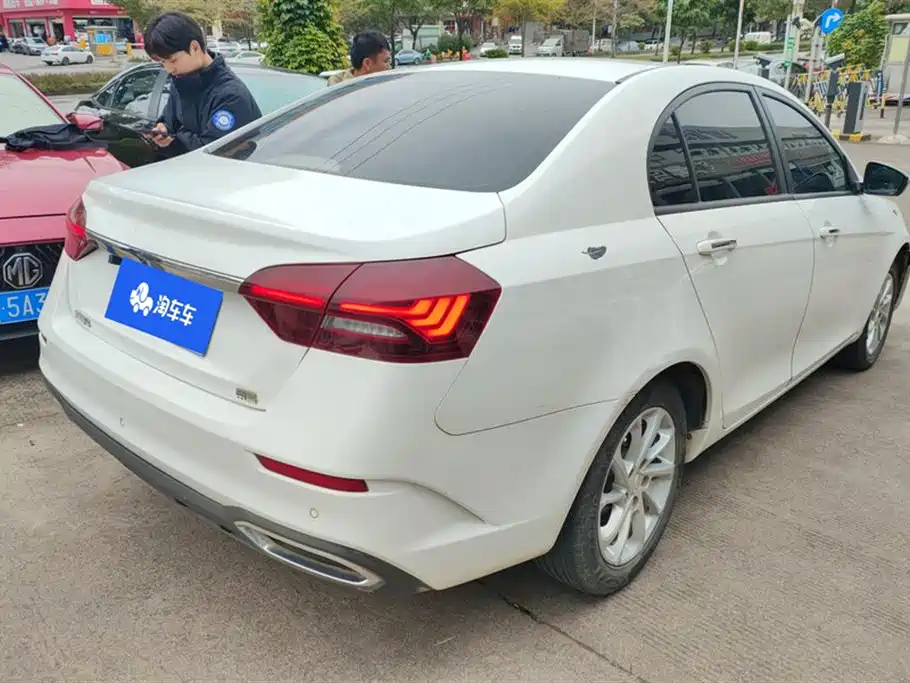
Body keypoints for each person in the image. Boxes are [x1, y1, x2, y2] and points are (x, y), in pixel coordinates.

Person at [143, 11, 261, 158]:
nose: (169, 69)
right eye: (162, 62)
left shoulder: (231, 95)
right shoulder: (181, 81)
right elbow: (170, 121)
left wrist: (176, 138)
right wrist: (163, 129)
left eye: (173, 60)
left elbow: (213, 151)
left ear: (195, 47)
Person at [327, 31, 391, 86]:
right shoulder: (337, 87)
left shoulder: (386, 84)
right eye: (386, 61)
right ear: (367, 63)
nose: (389, 67)